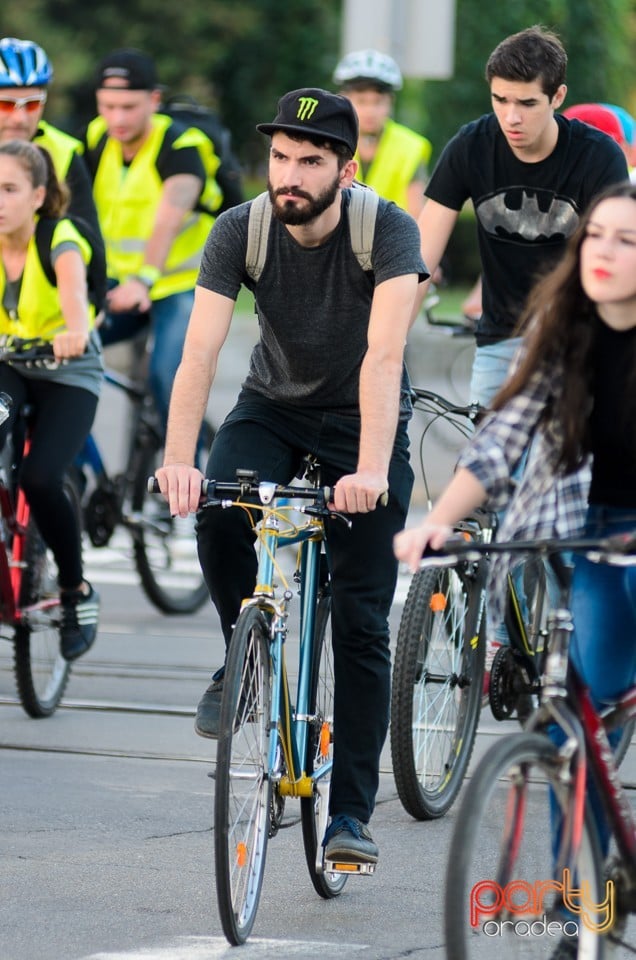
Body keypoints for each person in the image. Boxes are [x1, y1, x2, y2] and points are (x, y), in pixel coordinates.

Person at [156, 87, 427, 864]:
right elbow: (201, 352)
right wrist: (178, 462)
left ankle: (349, 817)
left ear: (346, 168)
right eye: (280, 156)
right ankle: (245, 659)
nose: (291, 174)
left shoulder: (389, 232)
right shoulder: (240, 229)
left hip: (361, 420)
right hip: (271, 406)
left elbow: (383, 356)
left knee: (363, 618)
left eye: (310, 160)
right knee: (215, 510)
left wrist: (372, 467)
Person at [396, 178, 636, 959]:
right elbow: (504, 440)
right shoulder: (563, 328)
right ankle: (582, 914)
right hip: (580, 531)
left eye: (625, 242)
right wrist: (436, 523)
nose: (603, 253)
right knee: (582, 729)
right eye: (595, 235)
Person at [414, 24, 629, 409]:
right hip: (500, 338)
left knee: (571, 460)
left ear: (557, 96)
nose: (511, 117)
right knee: (485, 457)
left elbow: (617, 254)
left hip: (580, 334)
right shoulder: (470, 146)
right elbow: (417, 261)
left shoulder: (597, 156)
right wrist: (384, 350)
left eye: (527, 104)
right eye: (500, 100)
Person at [0, 140, 103, 659]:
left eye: (9, 189)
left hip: (69, 372)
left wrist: (75, 329)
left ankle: (74, 588)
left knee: (40, 477)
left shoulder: (59, 238)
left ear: (38, 196)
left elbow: (73, 287)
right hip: (12, 367)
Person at [83, 49, 221, 427]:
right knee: (63, 357)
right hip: (118, 283)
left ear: (154, 101)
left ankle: (186, 477)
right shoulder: (97, 138)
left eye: (129, 107)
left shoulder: (181, 146)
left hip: (178, 285)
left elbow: (168, 220)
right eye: (108, 106)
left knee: (170, 379)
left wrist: (144, 279)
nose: (118, 118)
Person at [0, 37, 100, 233]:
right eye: (6, 104)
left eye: (32, 104)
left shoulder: (63, 152)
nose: (20, 118)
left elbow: (88, 240)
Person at [333, 49, 432, 219]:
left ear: (390, 102)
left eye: (378, 102)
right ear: (343, 100)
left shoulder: (411, 147)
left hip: (393, 241)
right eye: (361, 101)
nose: (370, 111)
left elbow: (417, 214)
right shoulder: (327, 141)